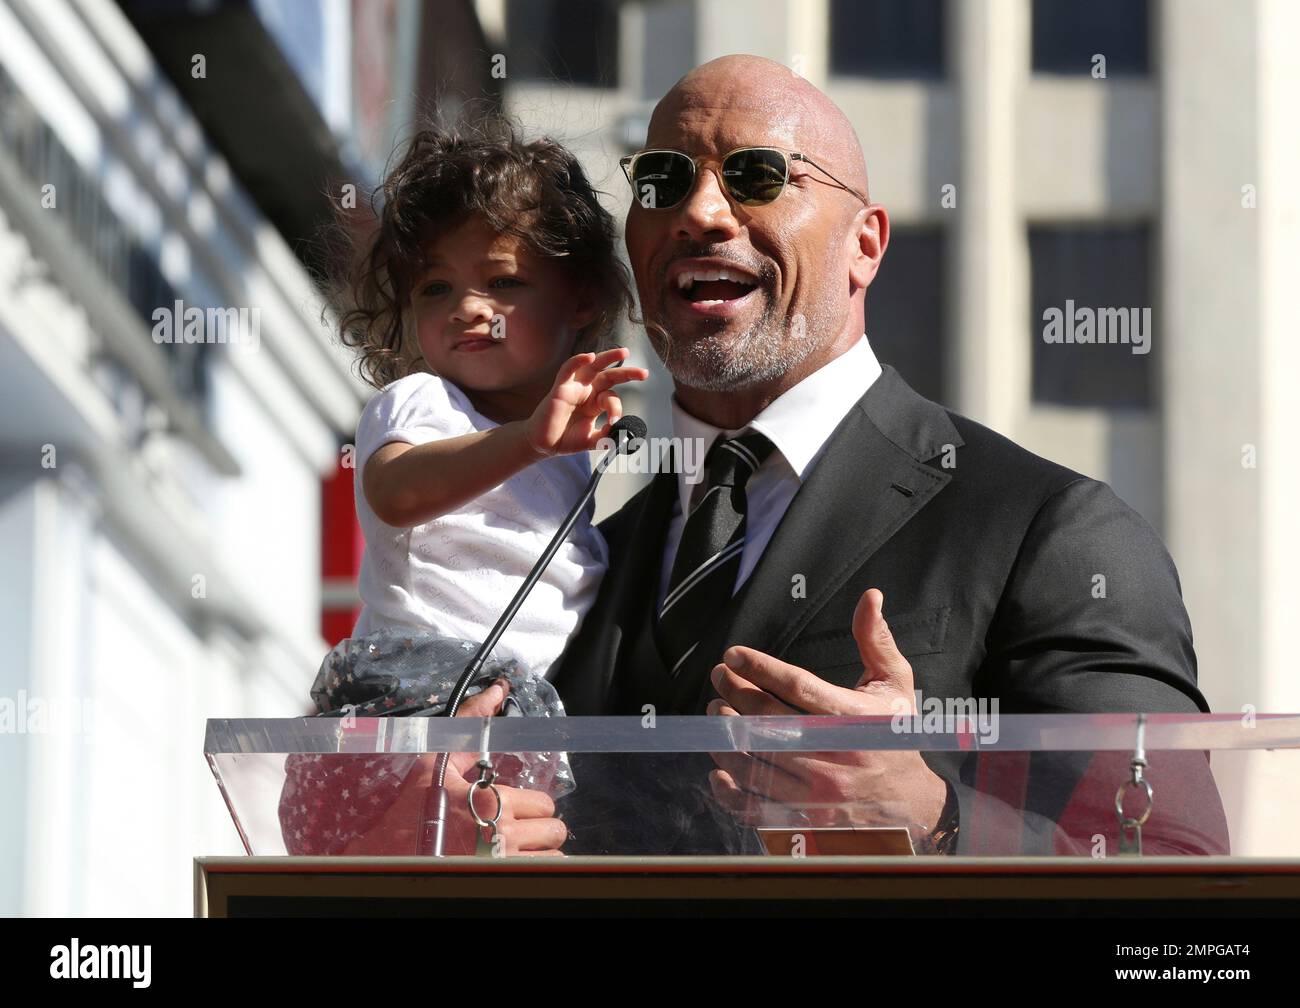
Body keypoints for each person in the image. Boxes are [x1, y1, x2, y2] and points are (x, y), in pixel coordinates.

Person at [550, 55, 1227, 857]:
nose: (701, 212)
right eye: (661, 180)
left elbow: (1176, 870)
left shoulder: (1052, 531)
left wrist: (933, 817)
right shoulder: (578, 558)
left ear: (864, 245)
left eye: (758, 176)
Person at [278, 115, 648, 856]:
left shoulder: (572, 461)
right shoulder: (423, 402)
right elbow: (396, 490)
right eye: (435, 287)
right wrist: (526, 440)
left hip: (515, 715)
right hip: (413, 699)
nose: (467, 307)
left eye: (505, 281)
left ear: (580, 299)